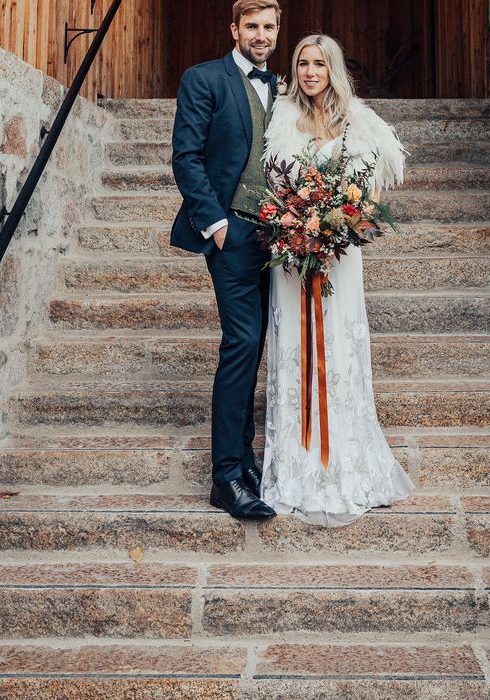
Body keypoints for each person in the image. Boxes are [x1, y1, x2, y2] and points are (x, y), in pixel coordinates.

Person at [261, 34, 415, 526]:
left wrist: (345, 216)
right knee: (296, 350)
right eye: (303, 63)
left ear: (333, 69)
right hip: (293, 253)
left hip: (340, 255)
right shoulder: (281, 120)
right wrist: (296, 220)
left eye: (319, 64)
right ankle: (299, 464)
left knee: (339, 349)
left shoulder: (357, 120)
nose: (310, 72)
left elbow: (373, 179)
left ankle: (344, 461)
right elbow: (272, 182)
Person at [170, 0, 282, 520]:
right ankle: (226, 477)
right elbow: (186, 155)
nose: (260, 36)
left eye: (269, 27)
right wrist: (215, 224)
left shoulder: (281, 87)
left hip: (280, 237)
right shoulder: (204, 79)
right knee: (241, 343)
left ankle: (247, 459)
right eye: (252, 27)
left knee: (256, 343)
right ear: (234, 29)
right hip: (231, 232)